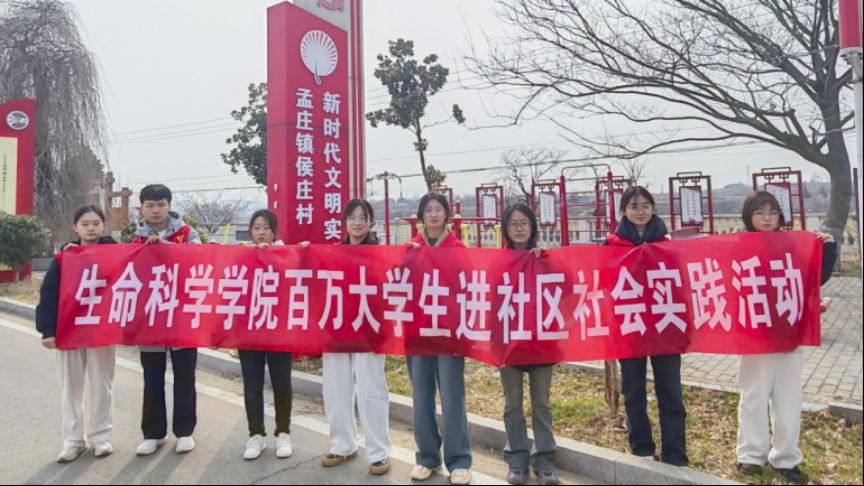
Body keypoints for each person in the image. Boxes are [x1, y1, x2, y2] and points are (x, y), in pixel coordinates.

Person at [735, 191, 837, 484]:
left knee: (788, 398)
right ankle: (750, 455)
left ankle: (786, 457)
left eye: (773, 212)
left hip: (789, 334)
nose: (767, 218)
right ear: (749, 216)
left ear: (781, 216)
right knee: (753, 396)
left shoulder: (793, 244)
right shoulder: (739, 246)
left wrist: (827, 248)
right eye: (760, 212)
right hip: (754, 335)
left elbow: (814, 277)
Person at [606, 186, 688, 467]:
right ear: (623, 211)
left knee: (671, 392)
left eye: (645, 206)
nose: (640, 211)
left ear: (653, 209)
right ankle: (641, 447)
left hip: (666, 326)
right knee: (633, 392)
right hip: (630, 326)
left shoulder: (667, 244)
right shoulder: (611, 245)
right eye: (634, 206)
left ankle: (675, 454)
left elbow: (681, 284)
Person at [36, 205, 118, 463]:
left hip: (100, 330)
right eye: (85, 224)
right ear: (75, 227)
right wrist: (48, 330)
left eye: (96, 223)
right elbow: (49, 293)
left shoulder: (114, 254)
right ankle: (73, 441)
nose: (91, 228)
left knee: (102, 385)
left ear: (103, 225)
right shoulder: (65, 258)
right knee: (70, 388)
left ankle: (100, 438)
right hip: (68, 329)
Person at [317, 199, 392, 475]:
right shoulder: (334, 252)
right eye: (352, 217)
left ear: (371, 223)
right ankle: (342, 445)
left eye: (363, 217)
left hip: (369, 327)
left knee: (371, 388)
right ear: (345, 222)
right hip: (337, 326)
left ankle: (379, 452)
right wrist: (303, 254)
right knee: (335, 387)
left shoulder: (380, 253)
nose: (358, 223)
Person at [406, 193, 473, 485]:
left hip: (449, 334)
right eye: (428, 210)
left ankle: (459, 461)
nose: (433, 215)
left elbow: (469, 290)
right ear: (421, 216)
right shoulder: (411, 249)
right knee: (421, 395)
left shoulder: (459, 250)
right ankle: (427, 458)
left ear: (447, 215)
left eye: (438, 209)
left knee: (452, 395)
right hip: (418, 333)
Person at [131, 184, 202, 456]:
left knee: (185, 375)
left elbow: (199, 260)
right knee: (152, 378)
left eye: (161, 204)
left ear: (169, 206)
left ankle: (185, 432)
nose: (155, 210)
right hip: (150, 316)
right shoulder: (134, 237)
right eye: (150, 205)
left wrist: (166, 247)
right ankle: (154, 433)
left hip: (182, 314)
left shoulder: (187, 233)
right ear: (142, 208)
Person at [498, 203, 559, 485]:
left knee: (542, 405)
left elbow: (566, 286)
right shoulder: (499, 261)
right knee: (513, 406)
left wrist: (547, 261)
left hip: (541, 344)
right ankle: (517, 460)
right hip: (509, 345)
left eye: (524, 223)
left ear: (533, 226)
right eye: (513, 223)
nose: (519, 228)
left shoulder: (545, 258)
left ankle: (544, 461)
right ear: (506, 229)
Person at [239, 210, 294, 460]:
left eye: (266, 227)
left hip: (279, 331)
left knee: (282, 383)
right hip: (249, 331)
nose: (261, 232)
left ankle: (283, 432)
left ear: (274, 231)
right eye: (256, 227)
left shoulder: (286, 254)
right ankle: (256, 435)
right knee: (252, 384)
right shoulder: (243, 255)